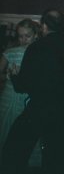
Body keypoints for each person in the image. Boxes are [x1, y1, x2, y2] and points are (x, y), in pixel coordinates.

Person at [2, 10, 64, 174]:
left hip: (38, 110)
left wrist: (13, 75)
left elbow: (22, 85)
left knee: (13, 156)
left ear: (44, 26)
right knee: (54, 164)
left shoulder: (36, 48)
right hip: (63, 116)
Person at [0, 19, 40, 166]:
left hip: (27, 99)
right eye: (20, 36)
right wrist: (9, 76)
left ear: (36, 35)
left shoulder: (39, 54)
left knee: (23, 136)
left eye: (27, 36)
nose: (23, 39)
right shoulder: (10, 52)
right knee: (5, 130)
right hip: (8, 97)